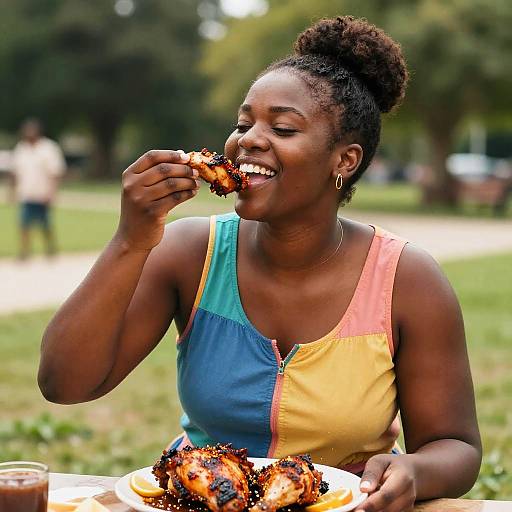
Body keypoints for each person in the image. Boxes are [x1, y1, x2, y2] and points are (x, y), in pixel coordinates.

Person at [38, 16, 481, 512]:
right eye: (244, 123)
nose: (247, 139)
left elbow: (456, 447)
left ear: (345, 160)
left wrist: (415, 472)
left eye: (283, 128)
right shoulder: (189, 253)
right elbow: (64, 384)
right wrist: (129, 241)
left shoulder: (408, 280)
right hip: (203, 496)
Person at [9, 118, 66, 259]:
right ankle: (24, 251)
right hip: (26, 193)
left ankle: (50, 249)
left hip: (43, 194)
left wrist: (52, 192)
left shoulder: (48, 148)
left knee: (45, 224)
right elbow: (15, 172)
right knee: (24, 224)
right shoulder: (21, 148)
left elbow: (55, 172)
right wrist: (12, 191)